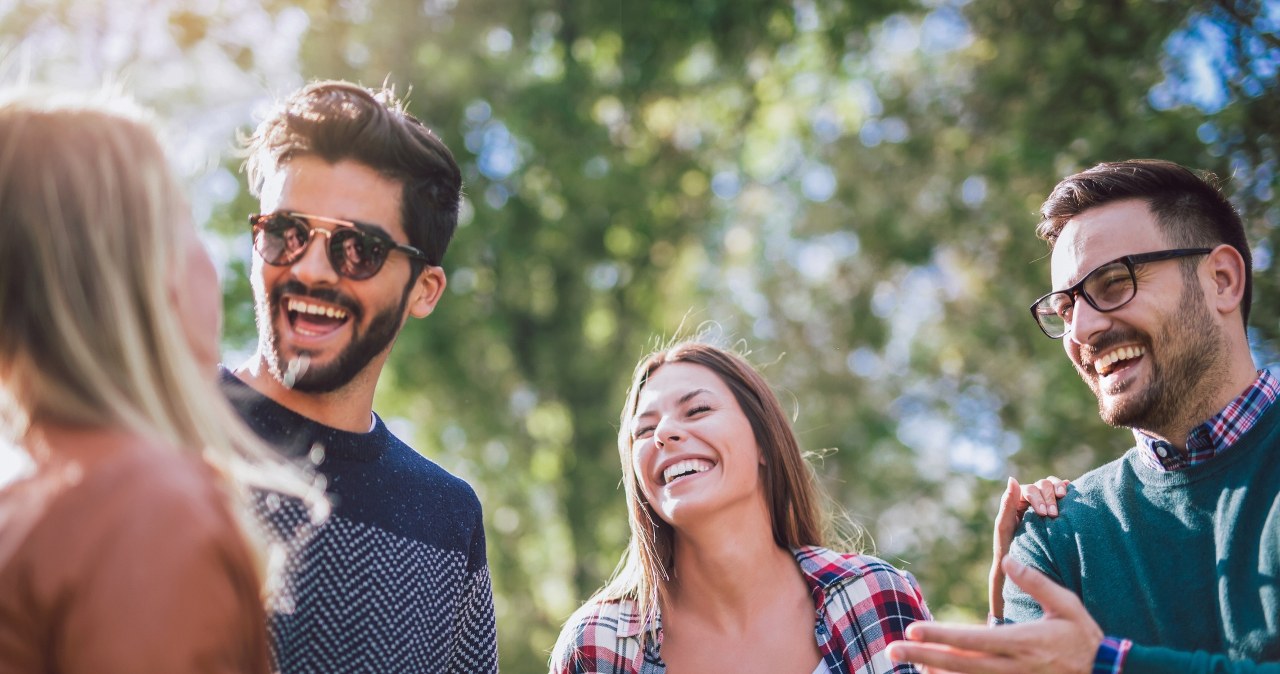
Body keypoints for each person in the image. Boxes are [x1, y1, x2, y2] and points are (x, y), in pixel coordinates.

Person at [888, 159, 1280, 673]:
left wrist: (1107, 664)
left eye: (1114, 283)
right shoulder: (1057, 536)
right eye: (1066, 307)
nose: (1083, 330)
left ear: (1223, 280)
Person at [0, 90, 321, 673]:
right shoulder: (148, 514)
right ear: (149, 279)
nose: (212, 262)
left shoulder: (30, 505)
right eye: (187, 226)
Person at [224, 80, 498, 673]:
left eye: (358, 248)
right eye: (285, 233)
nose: (311, 269)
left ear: (423, 290)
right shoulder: (148, 428)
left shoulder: (447, 520)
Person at [551, 341, 932, 674]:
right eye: (645, 430)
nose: (665, 433)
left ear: (764, 442)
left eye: (697, 409)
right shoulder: (597, 646)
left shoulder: (875, 596)